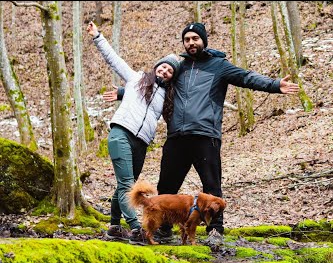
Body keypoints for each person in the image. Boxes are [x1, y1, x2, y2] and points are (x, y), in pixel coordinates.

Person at [157, 22, 300, 242]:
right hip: (177, 136)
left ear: (203, 40)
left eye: (195, 38)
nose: (191, 43)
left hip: (206, 135)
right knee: (166, 185)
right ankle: (164, 228)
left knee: (212, 184)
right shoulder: (179, 67)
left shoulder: (219, 66)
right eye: (187, 39)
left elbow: (246, 77)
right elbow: (152, 83)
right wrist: (121, 93)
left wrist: (273, 85)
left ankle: (215, 229)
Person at [86, 20, 180, 246]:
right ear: (157, 66)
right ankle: (137, 229)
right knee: (129, 186)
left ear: (171, 76)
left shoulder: (167, 98)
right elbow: (114, 59)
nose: (164, 71)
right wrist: (98, 37)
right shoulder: (136, 78)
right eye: (163, 66)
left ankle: (114, 227)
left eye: (169, 70)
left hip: (141, 144)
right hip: (121, 134)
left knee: (124, 185)